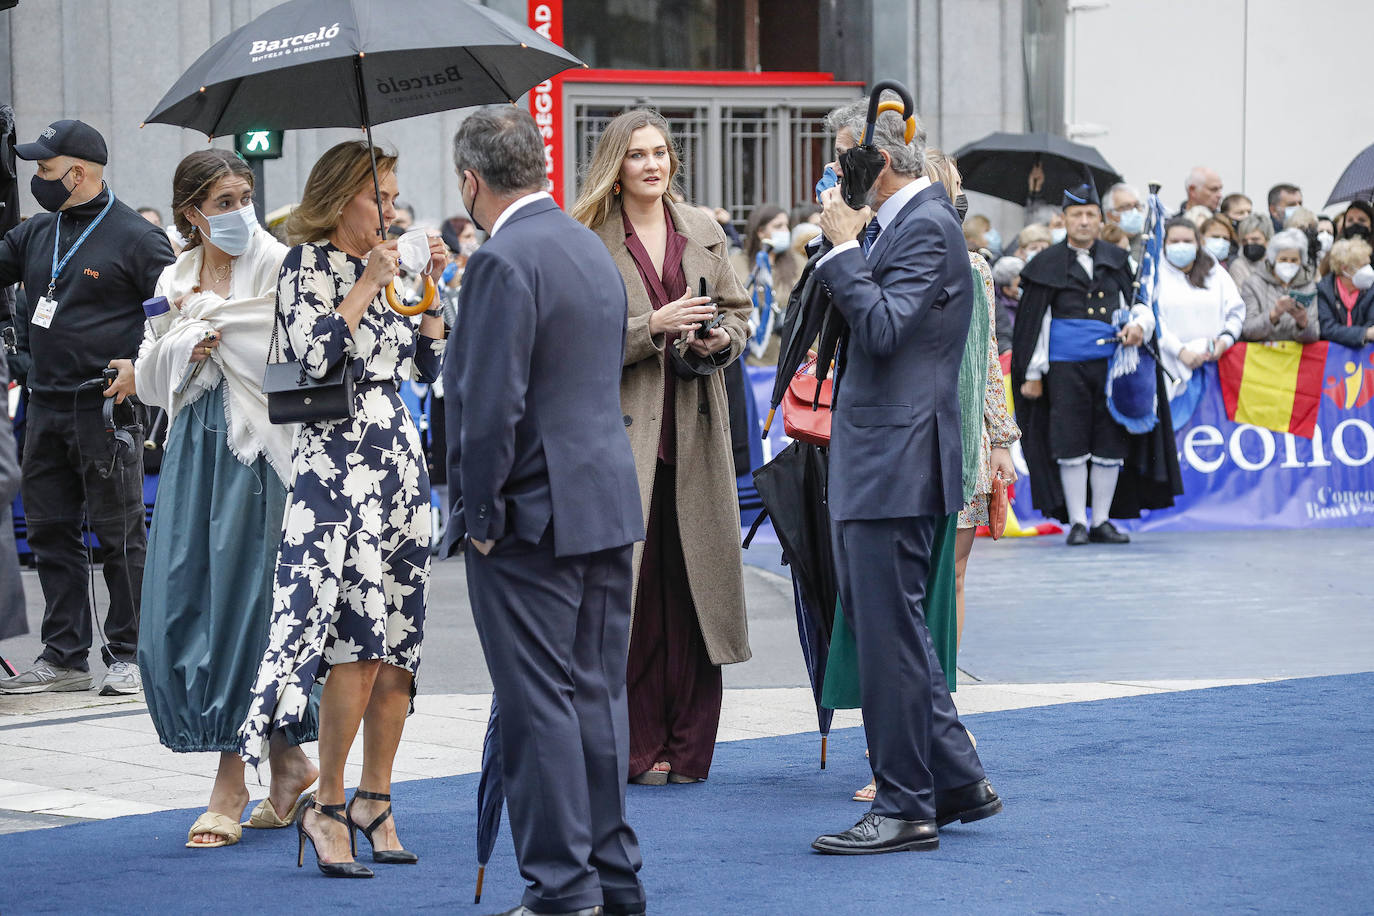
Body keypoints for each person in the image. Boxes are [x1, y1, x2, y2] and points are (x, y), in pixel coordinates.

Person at [444, 105, 648, 916]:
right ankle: (613, 876)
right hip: (601, 499)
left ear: (471, 180)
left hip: (532, 515)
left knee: (539, 707)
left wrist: (482, 516)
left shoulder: (501, 260)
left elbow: (489, 406)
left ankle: (564, 887)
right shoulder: (586, 247)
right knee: (596, 694)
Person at [236, 140, 447, 878]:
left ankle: (375, 798)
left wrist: (430, 295)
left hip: (399, 458)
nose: (392, 209)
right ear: (340, 199)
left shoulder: (393, 264)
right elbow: (317, 356)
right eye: (379, 196)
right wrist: (366, 284)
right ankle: (326, 808)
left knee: (397, 649)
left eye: (393, 194)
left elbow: (426, 366)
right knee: (353, 646)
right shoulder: (306, 267)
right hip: (337, 464)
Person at [808, 97, 998, 857]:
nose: (832, 174)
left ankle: (904, 805)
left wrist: (844, 251)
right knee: (898, 632)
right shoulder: (912, 224)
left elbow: (883, 330)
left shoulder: (925, 227)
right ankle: (954, 778)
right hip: (883, 456)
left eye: (842, 159)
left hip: (895, 461)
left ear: (877, 164)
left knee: (889, 638)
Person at [134, 149, 319, 850]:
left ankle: (230, 780)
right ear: (191, 211)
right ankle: (291, 761)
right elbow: (154, 376)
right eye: (221, 201)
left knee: (247, 609)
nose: (237, 211)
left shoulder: (276, 263)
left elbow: (295, 360)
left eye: (243, 195)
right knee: (184, 604)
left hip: (257, 453)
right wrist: (188, 344)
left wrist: (215, 330)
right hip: (191, 453)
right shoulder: (173, 274)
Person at [571, 108, 751, 788]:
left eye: (661, 153)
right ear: (615, 168)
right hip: (624, 436)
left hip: (696, 432)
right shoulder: (588, 237)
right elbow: (573, 338)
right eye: (638, 155)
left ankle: (689, 747)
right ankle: (635, 747)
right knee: (634, 600)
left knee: (695, 594)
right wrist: (652, 324)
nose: (653, 164)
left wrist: (718, 342)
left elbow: (736, 312)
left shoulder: (702, 229)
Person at [0, 120, 174, 696]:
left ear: (78, 172)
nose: (37, 179)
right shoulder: (36, 233)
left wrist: (141, 368)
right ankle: (66, 655)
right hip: (45, 406)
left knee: (120, 536)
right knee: (51, 532)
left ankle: (131, 653)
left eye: (45, 170)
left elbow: (174, 319)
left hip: (107, 406)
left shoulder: (137, 238)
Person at [1011, 181, 1181, 545]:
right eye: (1077, 215)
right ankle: (1076, 521)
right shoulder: (1045, 264)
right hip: (1063, 369)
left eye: (1091, 215)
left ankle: (1101, 520)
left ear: (1101, 220)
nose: (1084, 222)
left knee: (1110, 441)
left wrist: (1138, 326)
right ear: (1065, 219)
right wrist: (1033, 372)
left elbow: (1143, 304)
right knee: (1069, 441)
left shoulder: (1120, 260)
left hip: (1112, 369)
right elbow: (1038, 323)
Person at [1155, 218, 1245, 400]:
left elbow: (1235, 312)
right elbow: (1154, 320)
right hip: (1170, 368)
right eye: (1174, 241)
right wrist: (1180, 352)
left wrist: (1224, 341)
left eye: (1187, 241)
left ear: (1198, 243)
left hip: (1214, 365)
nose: (1181, 246)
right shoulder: (1155, 275)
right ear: (1164, 244)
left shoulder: (1216, 272)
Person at [732, 202, 802, 364]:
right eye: (778, 226)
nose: (785, 231)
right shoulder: (737, 263)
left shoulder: (799, 263)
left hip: (790, 359)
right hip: (751, 360)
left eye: (787, 226)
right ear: (760, 232)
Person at [1240, 228, 1320, 343]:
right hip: (1261, 356)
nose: (1288, 263)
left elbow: (1314, 335)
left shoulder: (1308, 286)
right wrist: (1274, 314)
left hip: (1296, 357)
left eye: (1294, 260)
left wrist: (1303, 322)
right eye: (1283, 259)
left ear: (1301, 262)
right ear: (1273, 260)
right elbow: (1248, 331)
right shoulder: (1253, 284)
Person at [1316, 237, 1374, 347]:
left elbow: (1372, 324)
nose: (1369, 270)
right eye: (1363, 265)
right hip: (1330, 358)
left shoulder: (1371, 289)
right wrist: (1364, 334)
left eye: (1369, 264)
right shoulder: (1324, 290)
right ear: (1345, 269)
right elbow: (1327, 329)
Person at [991, 255, 1025, 353]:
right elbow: (1002, 337)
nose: (1023, 287)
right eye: (1019, 285)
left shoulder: (1022, 301)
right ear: (1006, 289)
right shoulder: (995, 308)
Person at [1230, 214, 1272, 289]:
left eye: (1255, 239)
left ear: (1267, 240)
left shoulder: (1276, 263)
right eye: (1244, 241)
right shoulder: (1238, 266)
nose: (1249, 244)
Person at [1103, 182, 1145, 257]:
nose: (1134, 212)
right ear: (1110, 215)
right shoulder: (1099, 247)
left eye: (1136, 205)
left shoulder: (1149, 243)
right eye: (1126, 207)